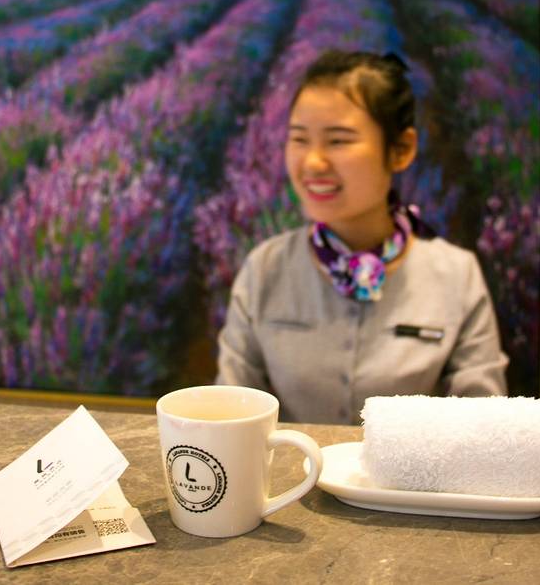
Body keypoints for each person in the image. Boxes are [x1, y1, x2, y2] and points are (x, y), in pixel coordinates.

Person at [215, 49, 508, 423]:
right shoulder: (265, 269)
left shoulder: (456, 276)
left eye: (338, 140)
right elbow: (229, 415)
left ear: (401, 150)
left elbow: (486, 426)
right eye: (299, 139)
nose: (313, 162)